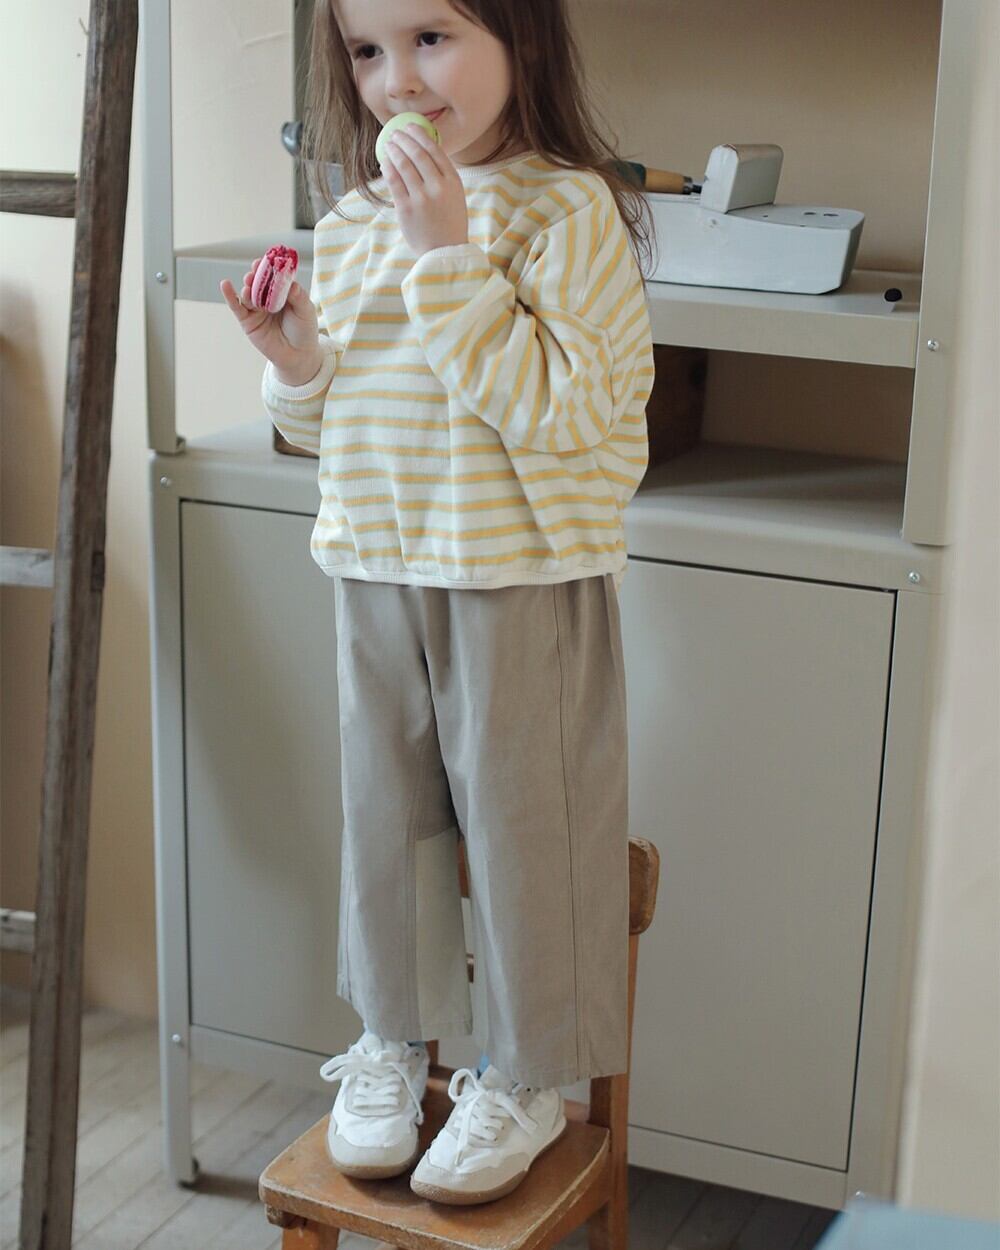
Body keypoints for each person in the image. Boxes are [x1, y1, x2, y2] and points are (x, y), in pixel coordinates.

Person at [220, 0, 655, 1207]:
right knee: (386, 822)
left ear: (523, 38)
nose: (397, 81)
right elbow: (335, 423)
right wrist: (296, 362)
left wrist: (449, 255)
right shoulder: (354, 222)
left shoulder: (565, 210)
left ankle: (526, 1071)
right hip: (377, 565)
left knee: (530, 827)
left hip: (519, 574)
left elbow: (570, 417)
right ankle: (391, 1039)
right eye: (367, 51)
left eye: (431, 38)